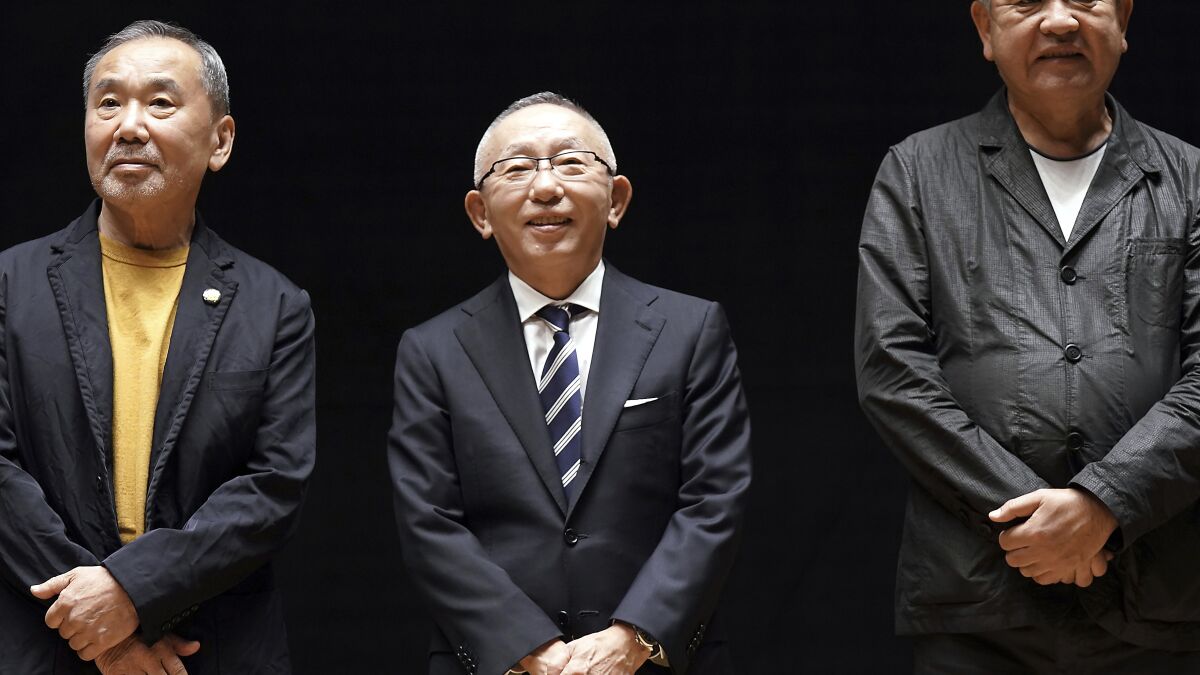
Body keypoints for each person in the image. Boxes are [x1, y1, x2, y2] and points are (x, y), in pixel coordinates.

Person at [855, 0, 1200, 672]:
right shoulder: (918, 171)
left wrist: (1105, 503)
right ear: (985, 28)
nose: (1061, 20)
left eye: (1085, 0)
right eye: (1027, 2)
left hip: (1157, 596)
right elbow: (892, 372)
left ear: (1124, 20)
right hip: (978, 597)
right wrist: (1035, 523)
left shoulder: (1190, 179)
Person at [388, 92, 751, 675]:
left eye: (571, 162)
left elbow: (715, 500)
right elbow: (428, 521)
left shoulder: (690, 329)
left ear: (617, 200)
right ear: (481, 213)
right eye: (517, 167)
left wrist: (633, 638)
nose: (545, 186)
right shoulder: (432, 350)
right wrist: (526, 647)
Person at [0, 20, 315, 674]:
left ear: (220, 141)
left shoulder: (274, 304)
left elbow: (272, 487)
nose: (129, 126)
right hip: (41, 637)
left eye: (161, 103)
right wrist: (98, 624)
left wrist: (131, 593)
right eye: (108, 103)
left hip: (210, 646)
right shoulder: (10, 283)